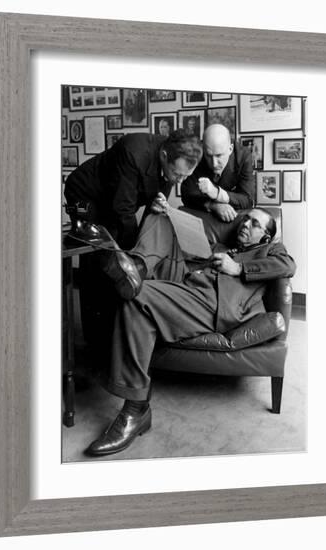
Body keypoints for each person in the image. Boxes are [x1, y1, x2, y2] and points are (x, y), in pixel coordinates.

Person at [84, 206, 296, 456]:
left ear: (266, 237)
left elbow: (288, 264)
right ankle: (138, 267)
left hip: (214, 303)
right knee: (159, 215)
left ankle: (135, 409)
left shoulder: (270, 250)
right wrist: (169, 212)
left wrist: (238, 268)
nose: (245, 224)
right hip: (187, 281)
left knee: (136, 296)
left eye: (254, 224)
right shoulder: (223, 248)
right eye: (245, 219)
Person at [64, 130, 203, 250]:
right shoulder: (133, 152)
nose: (179, 181)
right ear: (164, 156)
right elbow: (123, 208)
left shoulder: (174, 161)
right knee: (96, 245)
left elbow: (152, 210)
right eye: (177, 174)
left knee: (115, 244)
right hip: (83, 192)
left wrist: (142, 246)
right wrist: (133, 250)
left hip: (111, 197)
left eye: (185, 176)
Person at [181, 124, 255, 223]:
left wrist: (217, 193)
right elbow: (186, 195)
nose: (214, 163)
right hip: (202, 217)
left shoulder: (243, 157)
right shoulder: (197, 152)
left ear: (230, 149)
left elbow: (247, 200)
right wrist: (213, 205)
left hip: (233, 218)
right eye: (208, 156)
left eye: (219, 155)